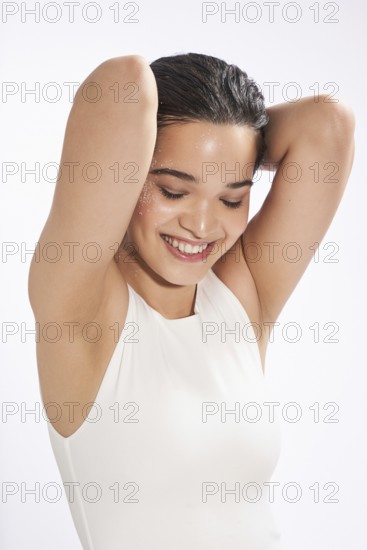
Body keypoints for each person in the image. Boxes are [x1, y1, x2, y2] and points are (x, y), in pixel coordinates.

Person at [28, 53, 355, 549]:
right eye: (173, 190)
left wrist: (235, 139)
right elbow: (122, 86)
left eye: (231, 198)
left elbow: (327, 125)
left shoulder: (241, 299)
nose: (202, 227)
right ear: (131, 169)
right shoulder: (82, 312)